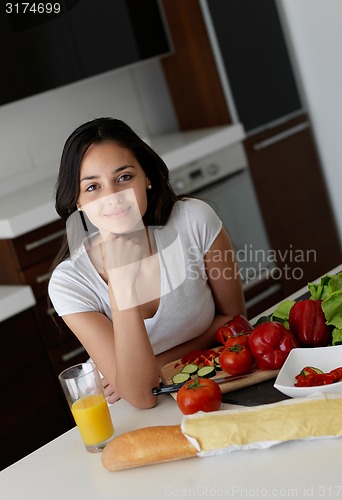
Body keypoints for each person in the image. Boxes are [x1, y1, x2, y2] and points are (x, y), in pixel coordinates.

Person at [48, 117, 246, 409]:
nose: (113, 197)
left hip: (211, 381)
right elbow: (142, 396)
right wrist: (121, 283)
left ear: (147, 178)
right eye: (92, 187)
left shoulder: (194, 221)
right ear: (77, 200)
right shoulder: (69, 284)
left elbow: (235, 323)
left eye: (124, 177)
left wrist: (154, 365)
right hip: (126, 409)